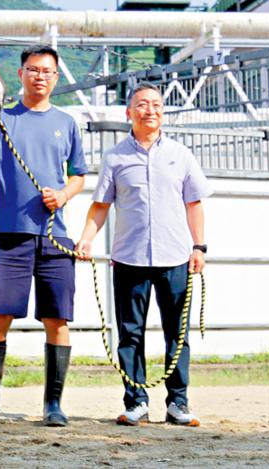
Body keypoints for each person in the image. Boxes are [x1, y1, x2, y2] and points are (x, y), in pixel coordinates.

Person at [0, 45, 87, 427]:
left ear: (56, 77)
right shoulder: (0, 120)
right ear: (21, 74)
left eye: (47, 71)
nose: (40, 76)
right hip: (9, 235)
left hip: (55, 237)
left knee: (57, 320)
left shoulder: (68, 123)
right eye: (33, 69)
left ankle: (54, 404)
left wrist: (63, 194)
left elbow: (79, 174)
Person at [75, 82, 210, 427]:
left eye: (155, 104)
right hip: (129, 259)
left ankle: (178, 403)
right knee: (130, 333)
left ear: (162, 111)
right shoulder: (115, 157)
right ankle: (136, 402)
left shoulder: (180, 154)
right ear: (129, 112)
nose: (149, 110)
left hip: (176, 258)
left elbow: (193, 204)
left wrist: (199, 247)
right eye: (141, 104)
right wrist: (86, 239)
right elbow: (100, 205)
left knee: (176, 334)